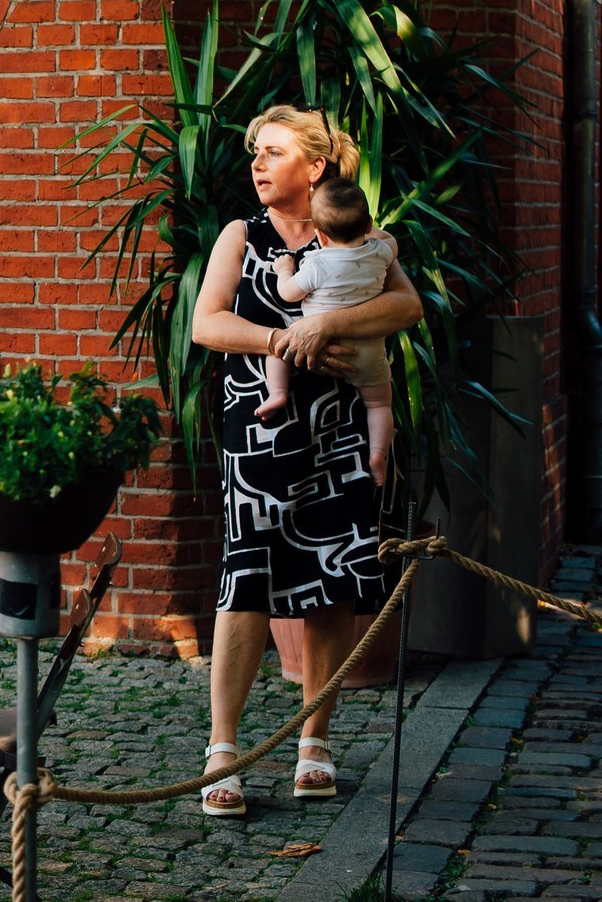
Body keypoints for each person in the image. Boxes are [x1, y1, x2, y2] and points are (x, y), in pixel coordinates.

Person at [190, 105, 423, 817]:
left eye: (274, 152)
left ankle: (312, 744)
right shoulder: (242, 235)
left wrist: (324, 324)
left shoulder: (357, 233)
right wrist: (281, 343)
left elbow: (406, 305)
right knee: (246, 578)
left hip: (344, 429)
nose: (258, 164)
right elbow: (206, 323)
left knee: (334, 578)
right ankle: (222, 750)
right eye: (256, 152)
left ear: (315, 167)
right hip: (261, 428)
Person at [261, 179, 398, 485]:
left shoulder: (317, 264)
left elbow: (288, 293)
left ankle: (277, 393)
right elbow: (391, 243)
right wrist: (374, 233)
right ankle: (377, 454)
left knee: (278, 346)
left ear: (320, 235)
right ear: (367, 225)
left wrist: (284, 269)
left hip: (316, 347)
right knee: (379, 404)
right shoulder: (380, 254)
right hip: (368, 351)